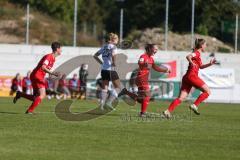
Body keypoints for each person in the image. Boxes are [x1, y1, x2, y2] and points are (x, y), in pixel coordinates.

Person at [163, 38, 216, 118]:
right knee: (207, 92)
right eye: (205, 45)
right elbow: (188, 56)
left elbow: (201, 66)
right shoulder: (197, 53)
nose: (206, 46)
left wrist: (210, 64)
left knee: (181, 98)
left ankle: (167, 111)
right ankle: (195, 105)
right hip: (192, 76)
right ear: (201, 45)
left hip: (187, 77)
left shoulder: (198, 54)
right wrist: (191, 62)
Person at [118, 44, 170, 117]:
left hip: (144, 79)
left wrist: (166, 70)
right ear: (149, 49)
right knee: (148, 96)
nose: (156, 51)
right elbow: (140, 62)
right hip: (141, 78)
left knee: (141, 99)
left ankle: (125, 92)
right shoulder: (143, 56)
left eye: (157, 50)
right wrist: (143, 64)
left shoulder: (151, 59)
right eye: (155, 49)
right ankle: (142, 113)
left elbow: (156, 68)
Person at [13, 42, 62, 114]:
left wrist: (50, 75)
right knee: (42, 95)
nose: (61, 50)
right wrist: (53, 73)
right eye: (60, 49)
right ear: (57, 49)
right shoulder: (49, 56)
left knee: (35, 98)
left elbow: (45, 69)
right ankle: (29, 111)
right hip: (37, 76)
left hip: (37, 76)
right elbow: (43, 67)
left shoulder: (53, 59)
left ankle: (20, 94)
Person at [93, 33, 121, 110]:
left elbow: (95, 55)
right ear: (113, 40)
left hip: (103, 69)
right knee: (118, 88)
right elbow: (113, 54)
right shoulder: (114, 47)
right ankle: (108, 103)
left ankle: (101, 105)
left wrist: (101, 63)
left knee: (105, 87)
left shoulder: (104, 47)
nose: (118, 41)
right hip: (110, 69)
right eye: (117, 39)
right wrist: (114, 62)